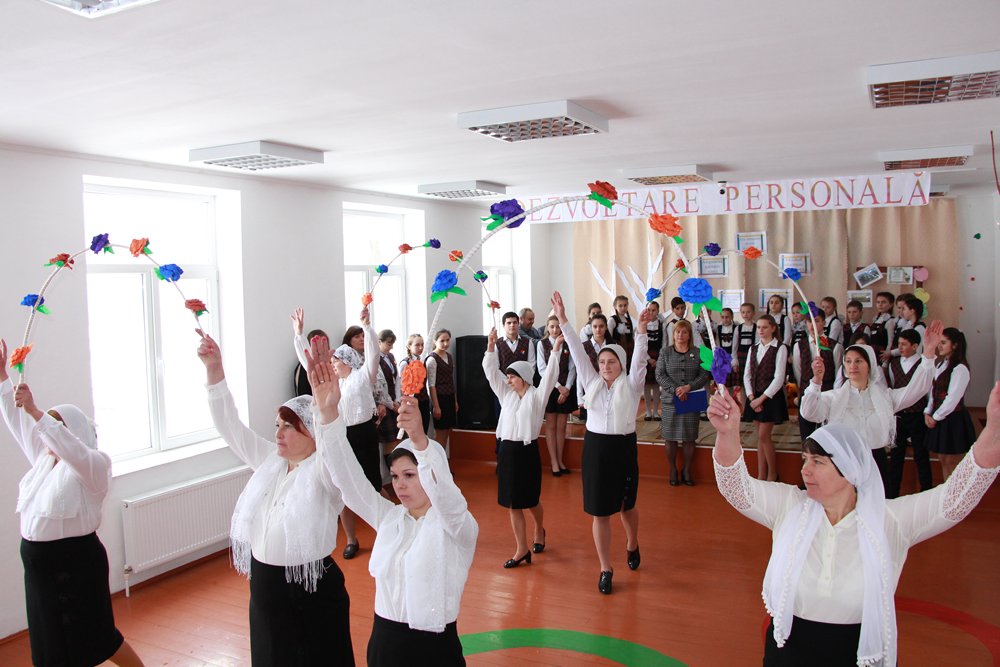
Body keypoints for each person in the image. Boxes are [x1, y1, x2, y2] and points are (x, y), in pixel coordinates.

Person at [709, 381, 1000, 666]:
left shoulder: (889, 520)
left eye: (818, 462)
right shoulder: (790, 505)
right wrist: (727, 434)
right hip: (789, 647)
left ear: (850, 470)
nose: (805, 470)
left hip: (856, 650)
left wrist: (993, 433)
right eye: (805, 459)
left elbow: (954, 500)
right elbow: (736, 488)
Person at [306, 336, 477, 667]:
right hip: (385, 644)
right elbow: (349, 481)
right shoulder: (390, 519)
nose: (399, 485)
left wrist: (421, 441)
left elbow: (448, 496)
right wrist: (328, 416)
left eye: (410, 475)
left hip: (433, 650)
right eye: (396, 476)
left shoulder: (457, 526)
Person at [196, 330, 354, 666]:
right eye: (277, 425)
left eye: (288, 426)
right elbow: (230, 427)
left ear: (312, 432)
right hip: (266, 586)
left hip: (311, 588)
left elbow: (336, 450)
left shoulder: (325, 470)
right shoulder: (270, 461)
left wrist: (327, 408)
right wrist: (214, 371)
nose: (278, 433)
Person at [0, 341, 145, 667]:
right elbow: (17, 422)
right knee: (52, 647)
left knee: (98, 638)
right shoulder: (45, 461)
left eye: (56, 427)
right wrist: (2, 377)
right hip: (41, 573)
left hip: (75, 567)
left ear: (73, 433)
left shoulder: (94, 465)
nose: (47, 435)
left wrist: (38, 413)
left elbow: (70, 448)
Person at [553, 291, 652, 595]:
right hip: (595, 450)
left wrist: (641, 331)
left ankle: (632, 542)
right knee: (600, 512)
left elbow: (639, 359)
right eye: (602, 362)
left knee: (626, 507)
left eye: (612, 362)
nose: (606, 366)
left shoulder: (632, 386)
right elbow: (576, 350)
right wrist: (563, 319)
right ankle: (605, 568)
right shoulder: (592, 382)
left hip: (623, 449)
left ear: (621, 364)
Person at [799, 322, 943, 485]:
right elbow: (809, 413)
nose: (853, 366)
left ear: (870, 365)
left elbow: (916, 390)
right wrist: (816, 381)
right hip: (843, 461)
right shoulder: (833, 398)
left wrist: (929, 352)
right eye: (848, 361)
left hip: (875, 460)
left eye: (859, 361)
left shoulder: (885, 398)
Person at [294, 309, 385, 560]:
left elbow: (374, 354)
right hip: (343, 436)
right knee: (343, 489)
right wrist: (299, 335)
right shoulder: (334, 383)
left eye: (336, 361)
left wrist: (367, 327)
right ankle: (352, 540)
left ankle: (386, 529)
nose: (332, 365)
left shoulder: (362, 377)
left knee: (374, 486)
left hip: (364, 434)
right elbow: (309, 364)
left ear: (347, 361)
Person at [484, 327, 561, 567]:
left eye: (512, 377)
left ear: (524, 378)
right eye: (508, 377)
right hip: (507, 452)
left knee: (531, 501)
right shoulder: (505, 395)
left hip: (527, 453)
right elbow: (491, 373)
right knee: (512, 503)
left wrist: (556, 351)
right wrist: (490, 347)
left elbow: (550, 376)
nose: (508, 381)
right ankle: (521, 549)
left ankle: (539, 528)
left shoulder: (537, 397)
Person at [656, 319, 711, 486]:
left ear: (689, 335)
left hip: (691, 398)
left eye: (684, 332)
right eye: (677, 332)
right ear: (673, 334)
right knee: (670, 437)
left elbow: (704, 375)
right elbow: (659, 374)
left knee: (689, 437)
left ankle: (687, 469)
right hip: (670, 400)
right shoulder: (665, 352)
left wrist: (689, 387)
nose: (680, 335)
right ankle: (672, 469)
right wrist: (676, 389)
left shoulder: (698, 352)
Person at [884, 329, 932, 498]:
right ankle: (892, 493)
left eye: (904, 344)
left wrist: (928, 412)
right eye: (899, 344)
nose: (900, 348)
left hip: (917, 414)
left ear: (915, 346)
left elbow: (928, 391)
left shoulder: (923, 364)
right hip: (899, 416)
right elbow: (893, 386)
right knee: (896, 455)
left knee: (921, 454)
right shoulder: (894, 364)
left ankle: (926, 491)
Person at [924, 327, 976, 481]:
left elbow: (952, 399)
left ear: (955, 345)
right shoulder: (941, 365)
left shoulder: (960, 368)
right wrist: (927, 411)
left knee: (952, 461)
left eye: (943, 343)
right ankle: (947, 491)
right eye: (939, 343)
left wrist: (936, 416)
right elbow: (933, 391)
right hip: (939, 417)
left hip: (953, 419)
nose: (939, 346)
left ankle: (956, 492)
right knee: (943, 459)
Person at [743, 314, 788, 481]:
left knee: (764, 435)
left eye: (765, 327)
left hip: (770, 397)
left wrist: (760, 399)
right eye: (759, 327)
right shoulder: (753, 348)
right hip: (754, 396)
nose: (761, 330)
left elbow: (779, 378)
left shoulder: (780, 348)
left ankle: (772, 473)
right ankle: (761, 474)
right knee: (760, 437)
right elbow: (747, 374)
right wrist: (751, 397)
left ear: (773, 328)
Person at [791, 312, 842, 443]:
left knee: (827, 437)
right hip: (806, 393)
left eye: (817, 320)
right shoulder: (798, 346)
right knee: (806, 436)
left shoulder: (835, 346)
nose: (812, 324)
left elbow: (838, 374)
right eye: (809, 321)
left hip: (827, 393)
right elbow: (798, 371)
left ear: (824, 322)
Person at [537, 315, 576, 475]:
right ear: (547, 327)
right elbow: (542, 369)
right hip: (551, 388)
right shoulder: (542, 344)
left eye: (558, 326)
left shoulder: (568, 343)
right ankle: (553, 461)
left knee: (562, 426)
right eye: (552, 326)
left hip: (566, 388)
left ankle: (560, 460)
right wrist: (559, 387)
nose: (555, 330)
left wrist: (567, 388)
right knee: (551, 426)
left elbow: (572, 368)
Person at [427, 329, 458, 455]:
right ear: (435, 341)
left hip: (449, 397)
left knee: (447, 432)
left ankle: (443, 460)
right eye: (442, 341)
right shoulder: (432, 359)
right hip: (439, 398)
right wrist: (436, 406)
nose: (445, 343)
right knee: (440, 433)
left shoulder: (449, 356)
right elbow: (431, 385)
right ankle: (437, 462)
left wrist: (454, 401)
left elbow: (451, 380)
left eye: (447, 340)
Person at [575, 312, 610, 423]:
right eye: (595, 326)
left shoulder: (613, 345)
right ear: (591, 328)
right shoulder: (584, 347)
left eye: (601, 326)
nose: (598, 329)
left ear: (606, 327)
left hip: (609, 390)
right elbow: (580, 373)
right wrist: (580, 397)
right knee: (591, 422)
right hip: (589, 390)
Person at [399, 333, 431, 432]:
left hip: (424, 401)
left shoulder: (422, 361)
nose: (421, 348)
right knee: (413, 431)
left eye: (422, 345)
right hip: (411, 403)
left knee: (424, 430)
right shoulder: (405, 363)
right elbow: (402, 386)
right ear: (409, 346)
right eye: (417, 345)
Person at [882, 293, 925, 363]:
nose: (902, 311)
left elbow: (917, 351)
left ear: (912, 311)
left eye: (904, 309)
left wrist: (891, 353)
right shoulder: (905, 324)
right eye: (899, 308)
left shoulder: (919, 328)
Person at [642, 300, 663, 421]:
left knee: (656, 385)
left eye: (653, 310)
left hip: (658, 358)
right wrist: (648, 359)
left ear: (658, 311)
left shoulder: (661, 325)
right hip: (646, 358)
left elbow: (664, 342)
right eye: (649, 310)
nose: (651, 312)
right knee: (646, 386)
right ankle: (647, 411)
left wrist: (658, 359)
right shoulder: (643, 325)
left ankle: (655, 411)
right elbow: (641, 344)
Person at [608, 295, 635, 369]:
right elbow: (609, 338)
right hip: (618, 350)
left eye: (625, 305)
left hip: (629, 350)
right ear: (615, 306)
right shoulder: (612, 320)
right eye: (620, 306)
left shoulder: (628, 319)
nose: (623, 308)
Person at [870, 292, 896, 362]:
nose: (880, 305)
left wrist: (885, 362)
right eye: (878, 302)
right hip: (873, 354)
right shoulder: (875, 319)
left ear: (891, 304)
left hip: (882, 355)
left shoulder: (890, 321)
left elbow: (890, 342)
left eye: (883, 302)